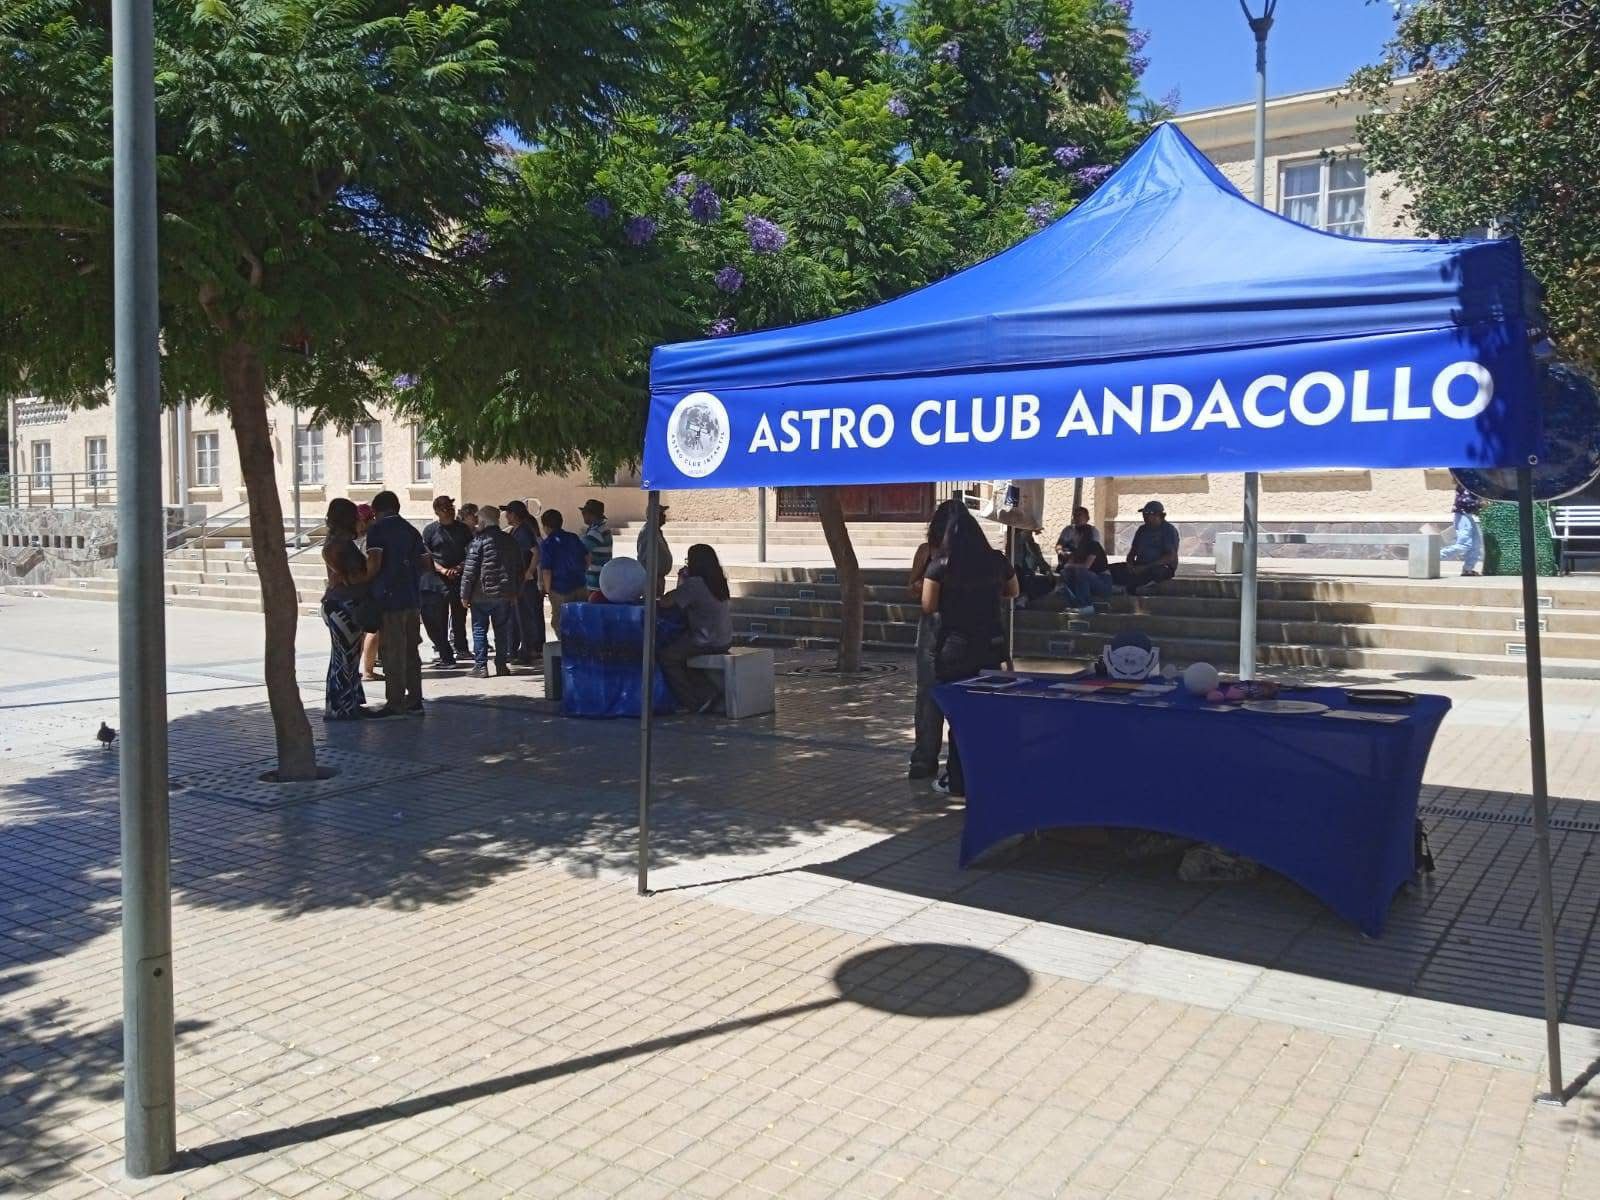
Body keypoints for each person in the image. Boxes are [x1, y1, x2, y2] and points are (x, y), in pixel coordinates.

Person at [925, 507, 1018, 797]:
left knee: (959, 717)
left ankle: (958, 779)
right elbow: (1013, 591)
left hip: (955, 648)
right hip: (990, 647)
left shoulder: (941, 564)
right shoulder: (997, 561)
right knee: (986, 715)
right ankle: (987, 775)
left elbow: (928, 604)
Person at [362, 490, 428, 716]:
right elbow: (426, 562)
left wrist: (365, 581)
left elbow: (375, 562)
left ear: (376, 511)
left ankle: (395, 702)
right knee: (411, 651)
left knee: (392, 652)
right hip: (412, 598)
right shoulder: (411, 530)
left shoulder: (377, 530)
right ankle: (415, 699)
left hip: (389, 599)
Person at [907, 500, 958, 780]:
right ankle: (924, 757)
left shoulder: (968, 555)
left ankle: (951, 762)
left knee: (943, 692)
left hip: (955, 624)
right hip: (933, 624)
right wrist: (923, 585)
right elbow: (913, 585)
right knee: (928, 692)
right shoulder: (926, 552)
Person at [659, 544, 734, 713]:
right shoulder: (718, 581)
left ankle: (692, 701)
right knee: (683, 655)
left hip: (706, 640)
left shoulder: (695, 584)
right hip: (724, 638)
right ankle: (707, 691)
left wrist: (681, 579)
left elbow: (666, 601)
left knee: (667, 657)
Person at [320, 498, 373, 720]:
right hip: (344, 604)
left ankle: (344, 704)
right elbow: (353, 576)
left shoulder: (336, 541)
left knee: (344, 658)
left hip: (340, 603)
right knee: (345, 658)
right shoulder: (340, 544)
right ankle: (341, 708)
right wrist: (374, 570)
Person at [460, 504, 522, 678]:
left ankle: (481, 666)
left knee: (479, 629)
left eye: (479, 520)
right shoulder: (510, 540)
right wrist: (516, 591)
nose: (477, 523)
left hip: (481, 593)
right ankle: (501, 665)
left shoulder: (478, 541)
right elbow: (519, 568)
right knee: (501, 630)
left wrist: (464, 594)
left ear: (484, 521)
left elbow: (470, 570)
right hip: (504, 593)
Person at [420, 495, 471, 666]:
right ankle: (444, 652)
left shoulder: (463, 529)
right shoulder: (430, 530)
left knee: (460, 615)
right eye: (445, 509)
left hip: (458, 576)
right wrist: (442, 570)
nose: (449, 511)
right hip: (437, 579)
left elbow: (471, 552)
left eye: (451, 508)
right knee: (439, 617)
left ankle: (461, 648)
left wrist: (459, 567)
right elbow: (426, 555)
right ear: (437, 511)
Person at [503, 500, 545, 664]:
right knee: (518, 616)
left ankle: (529, 650)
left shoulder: (524, 532)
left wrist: (529, 571)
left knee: (525, 615)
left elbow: (536, 552)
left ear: (514, 514)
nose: (506, 516)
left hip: (525, 582)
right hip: (518, 580)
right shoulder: (516, 530)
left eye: (508, 513)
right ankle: (520, 649)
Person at [1109, 501, 1179, 595]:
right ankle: (1129, 587)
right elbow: (1133, 551)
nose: (1144, 516)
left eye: (1147, 513)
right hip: (1140, 564)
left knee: (1157, 572)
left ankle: (1138, 588)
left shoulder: (1168, 530)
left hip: (1159, 566)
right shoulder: (1142, 530)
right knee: (1112, 569)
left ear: (1157, 515)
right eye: (1144, 514)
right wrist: (1130, 564)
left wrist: (1146, 567)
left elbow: (1170, 556)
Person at [540, 509, 590, 632]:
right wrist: (582, 571)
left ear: (545, 526)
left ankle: (565, 643)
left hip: (560, 588)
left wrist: (547, 590)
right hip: (580, 584)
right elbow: (587, 557)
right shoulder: (573, 537)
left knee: (560, 622)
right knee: (580, 619)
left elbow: (547, 571)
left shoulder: (547, 544)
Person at [1056, 527, 1113, 616]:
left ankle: (1086, 605)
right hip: (1086, 584)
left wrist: (1070, 566)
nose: (1072, 537)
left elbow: (1086, 566)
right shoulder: (1076, 549)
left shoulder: (1094, 546)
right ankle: (1074, 605)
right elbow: (1068, 566)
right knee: (1065, 573)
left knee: (1081, 572)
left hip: (1102, 582)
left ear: (1081, 535)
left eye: (1074, 534)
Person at [355, 503, 381, 681]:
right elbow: (373, 565)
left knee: (358, 632)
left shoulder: (349, 540)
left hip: (353, 588)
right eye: (371, 518)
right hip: (368, 587)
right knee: (372, 629)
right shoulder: (369, 539)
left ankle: (356, 668)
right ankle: (368, 671)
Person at [1440, 484, 1484, 577]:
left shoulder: (1474, 484)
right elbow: (1462, 501)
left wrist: (1479, 504)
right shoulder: (1466, 484)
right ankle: (1434, 556)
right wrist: (1479, 503)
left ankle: (1468, 570)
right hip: (1462, 515)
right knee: (1464, 544)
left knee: (1476, 544)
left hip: (1467, 515)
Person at [1011, 527, 1055, 607]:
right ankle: (1023, 597)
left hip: (1028, 573)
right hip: (1019, 572)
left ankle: (1025, 597)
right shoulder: (1015, 544)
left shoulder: (1033, 545)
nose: (1031, 533)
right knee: (1024, 576)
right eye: (1028, 532)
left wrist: (1047, 570)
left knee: (1048, 583)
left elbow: (1040, 560)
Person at [636, 505, 673, 596]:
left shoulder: (655, 531)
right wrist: (652, 578)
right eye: (661, 514)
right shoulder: (648, 532)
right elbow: (644, 557)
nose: (664, 516)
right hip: (653, 579)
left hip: (657, 578)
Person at [579, 498, 613, 592]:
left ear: (592, 515)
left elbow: (580, 551)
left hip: (594, 582)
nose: (582, 515)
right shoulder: (602, 528)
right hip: (601, 578)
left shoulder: (596, 532)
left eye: (584, 513)